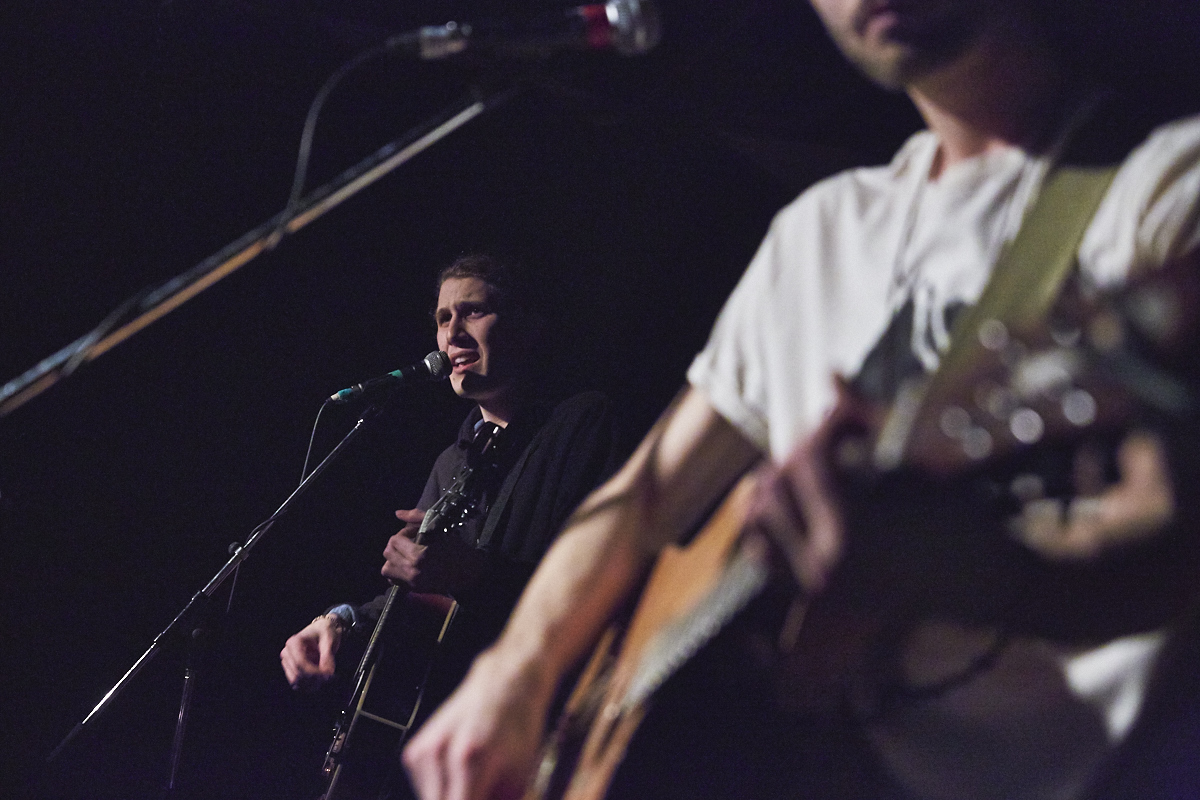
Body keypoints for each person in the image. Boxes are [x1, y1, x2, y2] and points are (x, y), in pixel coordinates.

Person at [401, 2, 1200, 799]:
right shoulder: (821, 233)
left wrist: (970, 570)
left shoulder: (1167, 188)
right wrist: (516, 673)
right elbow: (639, 498)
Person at [279, 254, 620, 790]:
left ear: (527, 327)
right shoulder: (452, 463)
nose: (452, 333)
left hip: (543, 735)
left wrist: (473, 574)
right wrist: (340, 621)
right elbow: (420, 601)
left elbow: (603, 582)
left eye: (473, 312)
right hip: (449, 745)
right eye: (442, 319)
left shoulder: (580, 424)